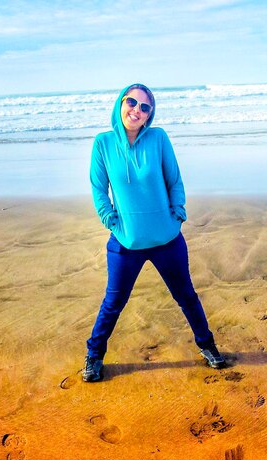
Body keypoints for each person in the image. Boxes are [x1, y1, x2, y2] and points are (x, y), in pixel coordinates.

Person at [82, 83, 225, 382]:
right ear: (120, 103)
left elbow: (174, 179)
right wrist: (109, 218)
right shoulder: (103, 143)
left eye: (145, 107)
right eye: (131, 102)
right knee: (113, 303)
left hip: (166, 240)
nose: (136, 109)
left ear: (150, 115)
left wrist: (179, 213)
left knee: (186, 295)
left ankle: (207, 345)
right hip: (125, 242)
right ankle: (94, 356)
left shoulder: (158, 138)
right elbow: (99, 188)